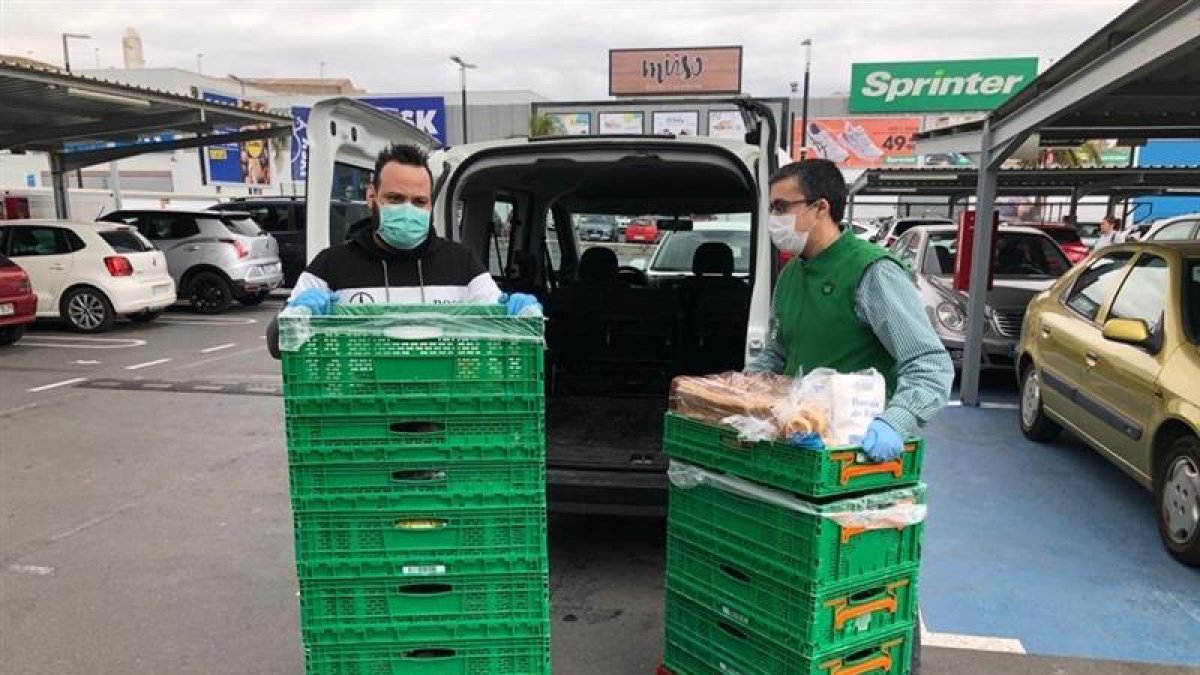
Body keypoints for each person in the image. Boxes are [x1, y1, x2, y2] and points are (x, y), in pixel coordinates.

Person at [747, 158, 954, 674]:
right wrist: (742, 394)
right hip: (804, 455)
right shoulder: (792, 276)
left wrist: (895, 422)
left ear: (820, 208)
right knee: (806, 584)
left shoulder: (871, 272)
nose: (774, 218)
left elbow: (929, 365)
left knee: (866, 588)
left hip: (861, 465)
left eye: (781, 207)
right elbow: (777, 355)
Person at [266, 143, 538, 357]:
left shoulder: (462, 263)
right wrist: (290, 320)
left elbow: (502, 332)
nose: (408, 211)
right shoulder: (330, 266)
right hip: (357, 406)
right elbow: (277, 345)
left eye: (419, 202)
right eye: (395, 199)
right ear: (372, 197)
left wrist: (521, 317)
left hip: (446, 403)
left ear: (430, 205)